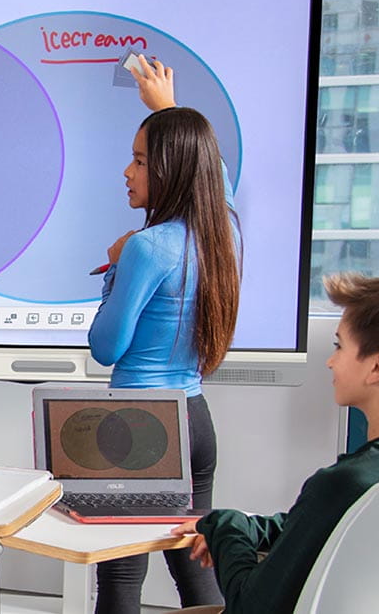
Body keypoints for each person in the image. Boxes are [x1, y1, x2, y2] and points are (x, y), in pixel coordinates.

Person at [87, 57, 240, 613]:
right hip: (195, 419)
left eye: (139, 160)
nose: (127, 172)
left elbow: (106, 348)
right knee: (194, 568)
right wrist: (168, 111)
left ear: (170, 171)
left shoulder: (147, 248)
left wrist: (114, 270)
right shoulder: (224, 235)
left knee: (122, 580)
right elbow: (212, 175)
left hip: (137, 424)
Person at [169, 273, 379, 613]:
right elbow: (319, 529)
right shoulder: (372, 486)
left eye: (339, 346)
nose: (331, 360)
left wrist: (224, 528)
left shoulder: (342, 484)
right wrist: (247, 525)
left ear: (377, 367)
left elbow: (250, 605)